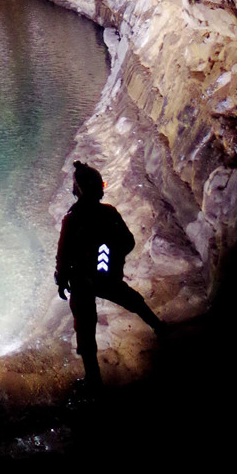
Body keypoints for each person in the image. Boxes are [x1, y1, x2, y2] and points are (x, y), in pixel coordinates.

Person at [55, 160, 163, 388]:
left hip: (82, 279)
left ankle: (93, 377)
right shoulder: (108, 213)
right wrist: (110, 257)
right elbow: (128, 241)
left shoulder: (72, 219)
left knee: (85, 326)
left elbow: (63, 254)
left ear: (77, 190)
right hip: (104, 274)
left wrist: (61, 279)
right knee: (130, 299)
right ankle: (160, 327)